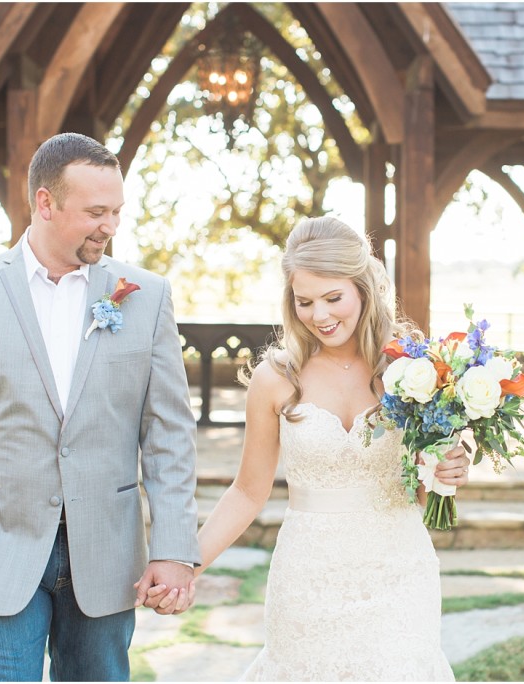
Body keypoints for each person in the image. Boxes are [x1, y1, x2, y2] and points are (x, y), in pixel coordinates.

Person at [0, 132, 200, 682]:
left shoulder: (148, 295)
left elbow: (168, 434)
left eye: (116, 211)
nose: (110, 226)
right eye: (95, 211)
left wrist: (175, 549)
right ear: (45, 202)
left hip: (109, 557)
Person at [196, 216, 469, 681]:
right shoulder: (275, 378)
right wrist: (187, 564)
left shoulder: (415, 370)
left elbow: (425, 494)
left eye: (333, 298)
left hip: (399, 572)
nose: (319, 316)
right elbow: (247, 492)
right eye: (304, 302)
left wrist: (448, 469)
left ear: (363, 288)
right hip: (307, 577)